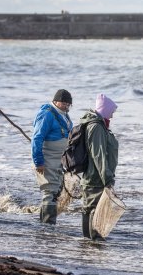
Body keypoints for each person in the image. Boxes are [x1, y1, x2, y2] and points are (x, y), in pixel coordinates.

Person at [80, 93, 118, 240]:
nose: (112, 116)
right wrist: (107, 178)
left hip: (94, 177)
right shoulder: (96, 127)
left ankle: (88, 244)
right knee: (93, 210)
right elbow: (98, 155)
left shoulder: (99, 125)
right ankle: (93, 243)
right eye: (111, 112)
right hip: (95, 179)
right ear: (105, 110)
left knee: (89, 209)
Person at [31, 89, 73, 224]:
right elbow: (37, 139)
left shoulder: (64, 115)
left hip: (59, 160)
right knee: (49, 192)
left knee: (56, 192)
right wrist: (39, 162)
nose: (66, 106)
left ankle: (47, 224)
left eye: (68, 104)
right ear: (55, 101)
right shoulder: (46, 114)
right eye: (64, 103)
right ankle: (47, 227)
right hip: (47, 159)